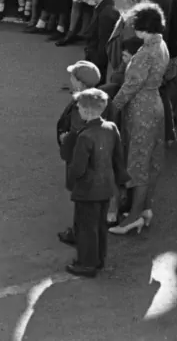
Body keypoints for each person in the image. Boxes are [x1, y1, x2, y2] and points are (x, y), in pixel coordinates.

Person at [107, 4, 170, 235]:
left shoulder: (145, 52)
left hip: (141, 108)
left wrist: (114, 106)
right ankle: (144, 208)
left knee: (137, 163)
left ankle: (134, 217)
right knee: (148, 160)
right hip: (154, 103)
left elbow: (132, 84)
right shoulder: (160, 45)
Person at [65, 88, 128, 278]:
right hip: (106, 187)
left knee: (86, 227)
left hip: (87, 189)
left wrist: (71, 182)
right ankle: (99, 259)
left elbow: (78, 167)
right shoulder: (111, 128)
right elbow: (118, 157)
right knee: (100, 225)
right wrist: (120, 181)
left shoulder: (84, 136)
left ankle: (87, 263)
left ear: (85, 110)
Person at [56, 59, 101, 246]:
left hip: (79, 160)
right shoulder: (96, 101)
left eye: (73, 77)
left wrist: (65, 139)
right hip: (91, 160)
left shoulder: (80, 106)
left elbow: (76, 133)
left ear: (80, 83)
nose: (70, 79)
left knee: (81, 199)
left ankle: (78, 234)